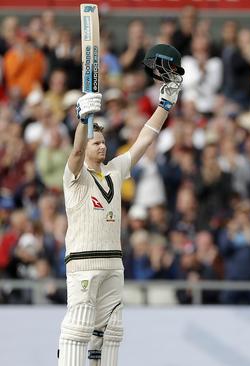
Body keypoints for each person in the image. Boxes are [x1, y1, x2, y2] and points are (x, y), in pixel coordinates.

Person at [57, 45, 183, 366]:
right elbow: (73, 154)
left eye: (102, 141)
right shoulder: (75, 176)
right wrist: (82, 119)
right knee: (79, 328)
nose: (101, 145)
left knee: (111, 331)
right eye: (95, 142)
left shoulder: (114, 169)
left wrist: (165, 104)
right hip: (84, 262)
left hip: (113, 262)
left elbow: (144, 138)